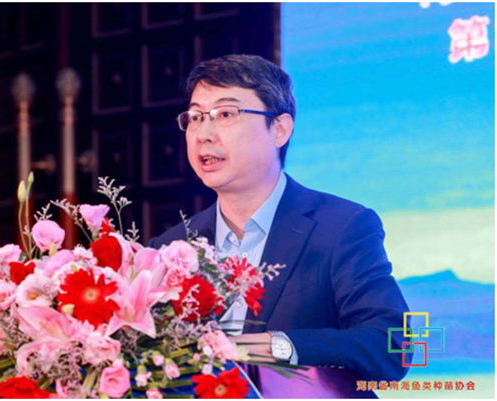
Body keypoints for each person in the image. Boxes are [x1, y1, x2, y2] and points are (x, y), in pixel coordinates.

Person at [148, 54, 411, 396]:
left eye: (225, 114)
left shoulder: (341, 227)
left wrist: (277, 347)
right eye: (195, 117)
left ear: (280, 129)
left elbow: (392, 344)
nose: (203, 134)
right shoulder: (170, 249)